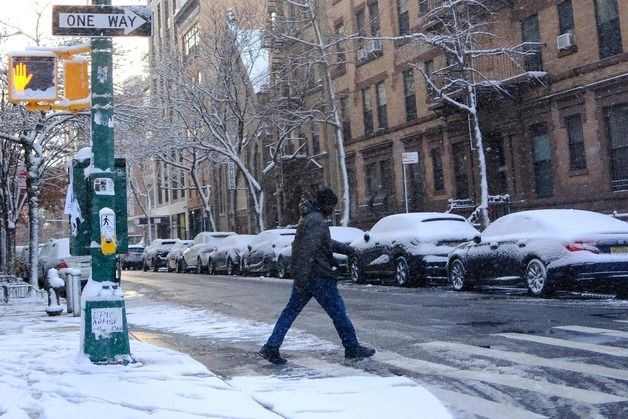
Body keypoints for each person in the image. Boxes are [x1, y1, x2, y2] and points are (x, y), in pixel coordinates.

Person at [259, 186, 375, 364]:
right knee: (338, 313)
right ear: (326, 204)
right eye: (332, 206)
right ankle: (352, 348)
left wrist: (349, 250)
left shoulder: (310, 218)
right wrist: (304, 279)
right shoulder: (316, 221)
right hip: (317, 276)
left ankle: (271, 346)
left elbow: (324, 242)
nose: (333, 210)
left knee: (290, 312)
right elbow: (308, 250)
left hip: (307, 276)